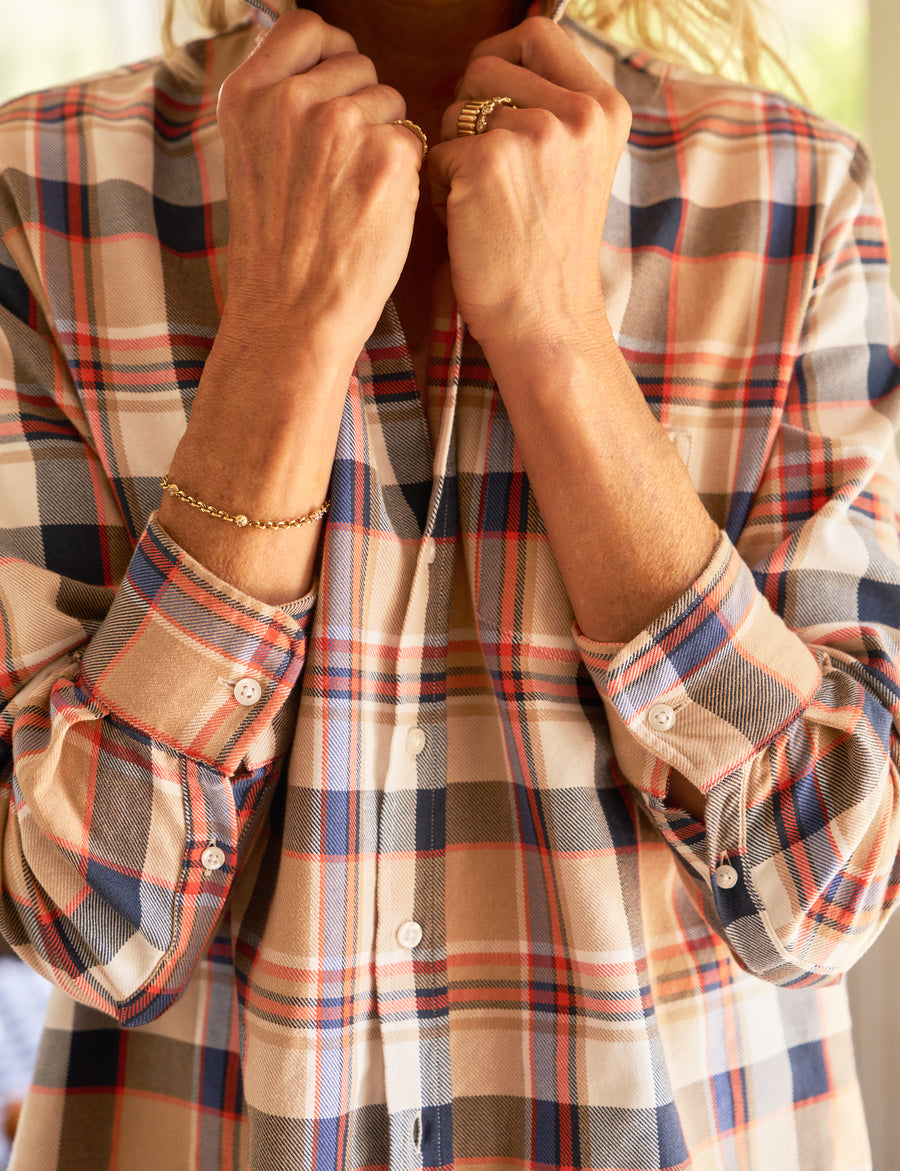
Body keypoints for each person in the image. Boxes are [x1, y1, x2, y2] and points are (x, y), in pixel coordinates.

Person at [0, 0, 898, 1166]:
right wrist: (280, 335)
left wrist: (561, 338)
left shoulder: (793, 195)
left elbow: (825, 889)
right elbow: (86, 918)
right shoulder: (48, 185)